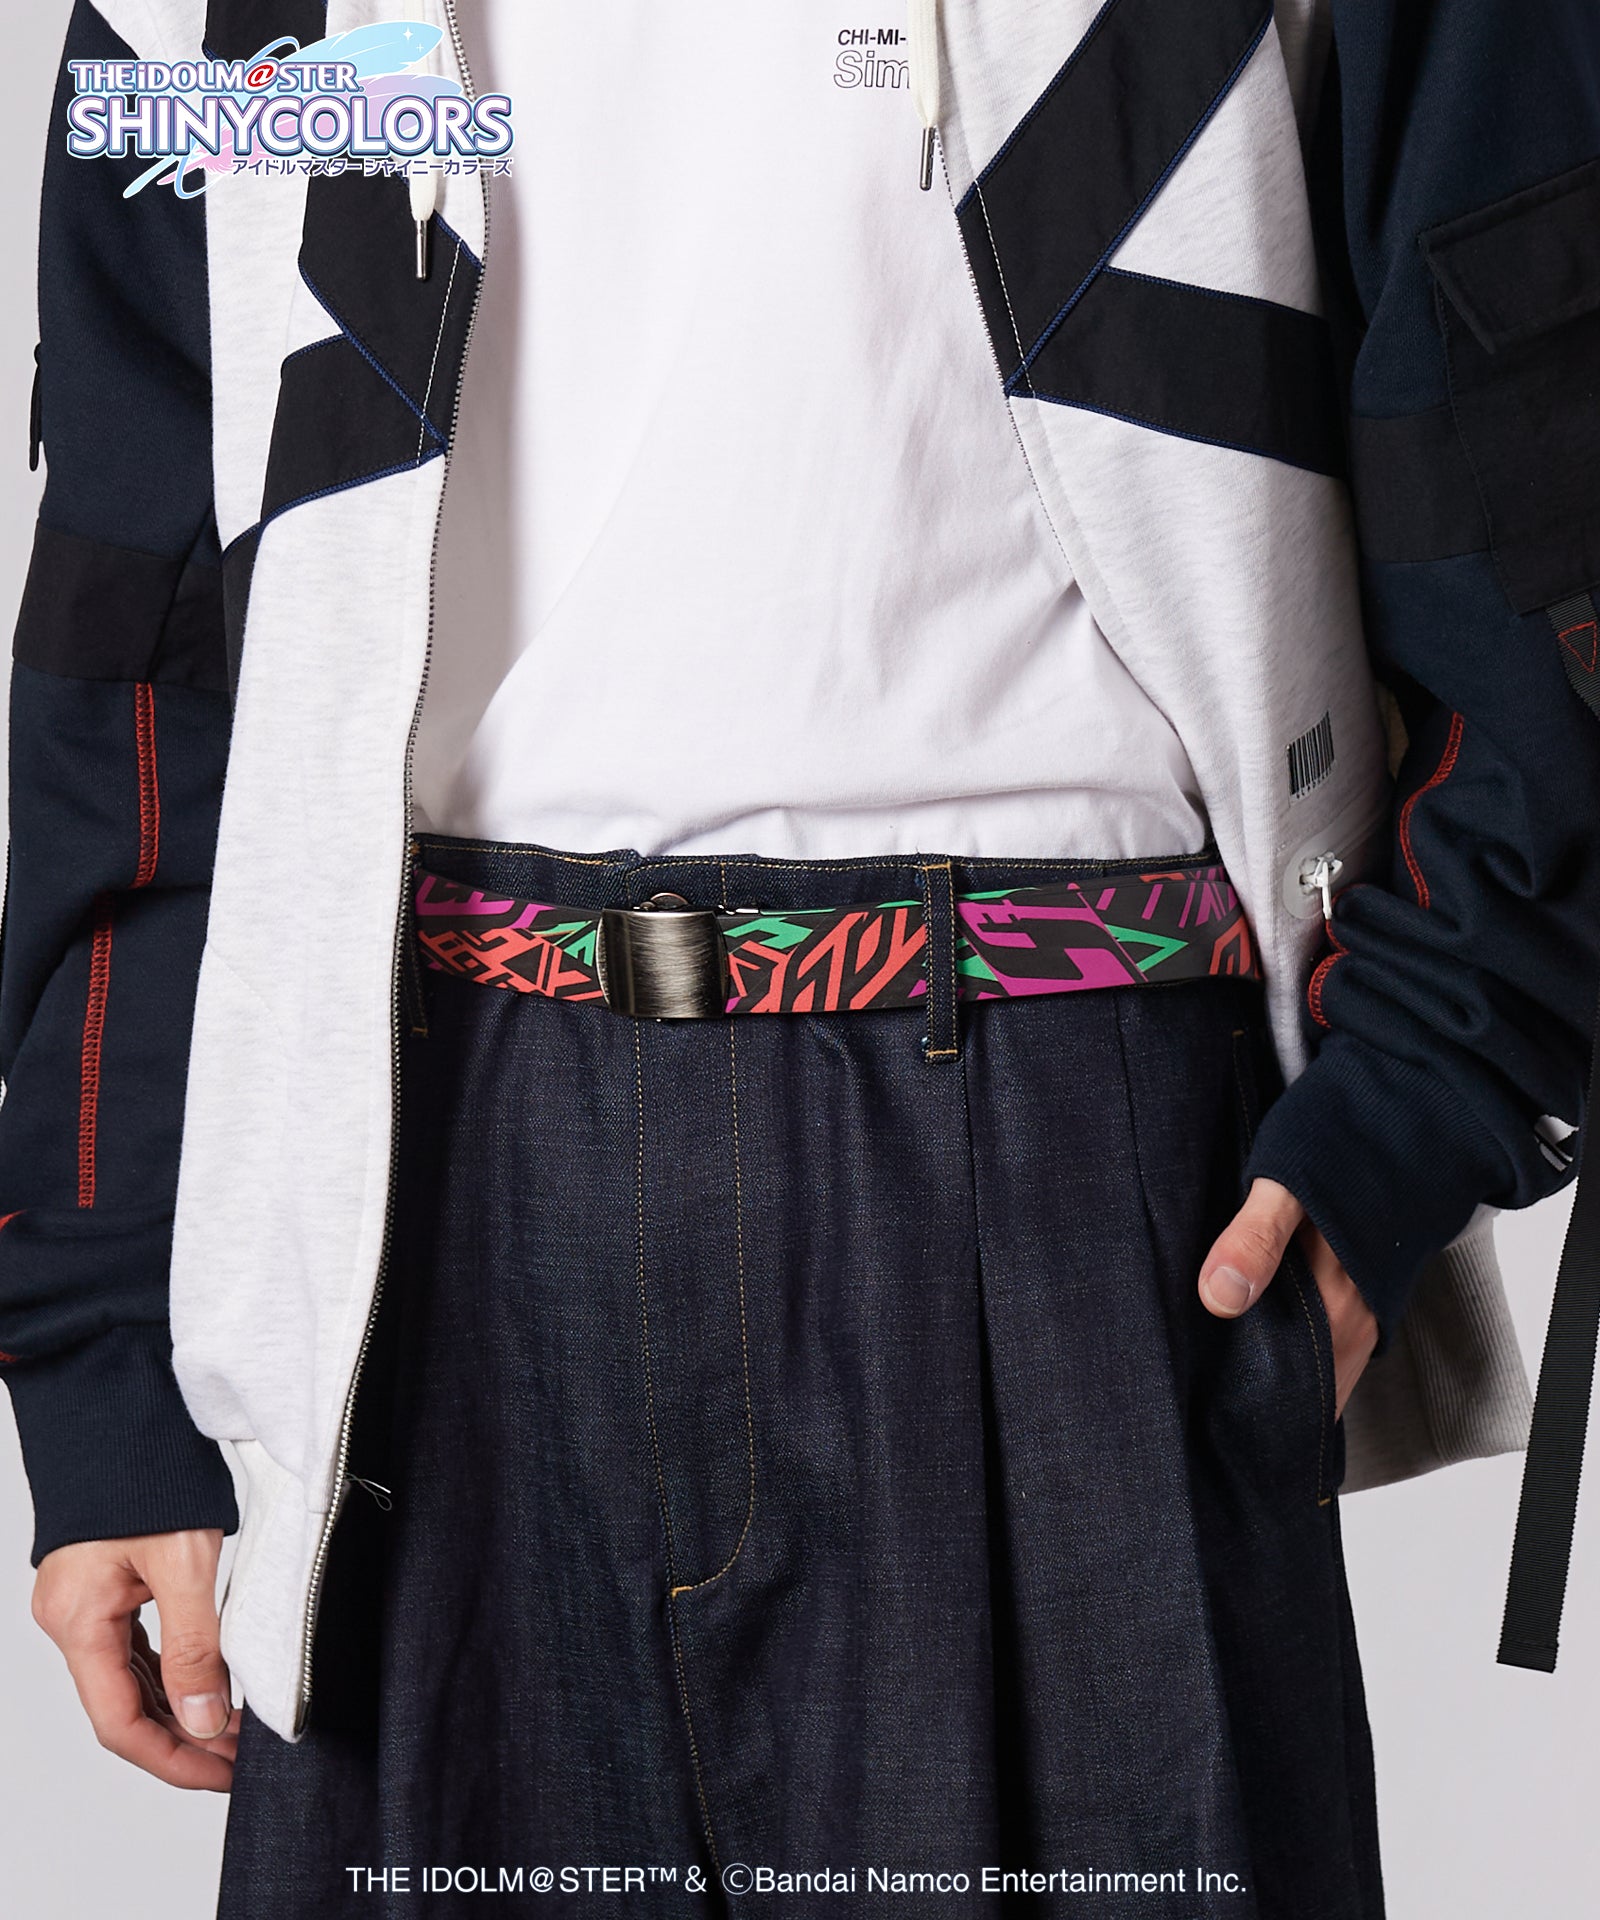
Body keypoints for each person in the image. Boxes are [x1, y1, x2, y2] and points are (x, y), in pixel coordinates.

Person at [4, 1, 1598, 1914]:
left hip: (1067, 1163)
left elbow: (1533, 416)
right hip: (418, 1199)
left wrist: (1430, 1075)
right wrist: (108, 1347)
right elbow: (144, 601)